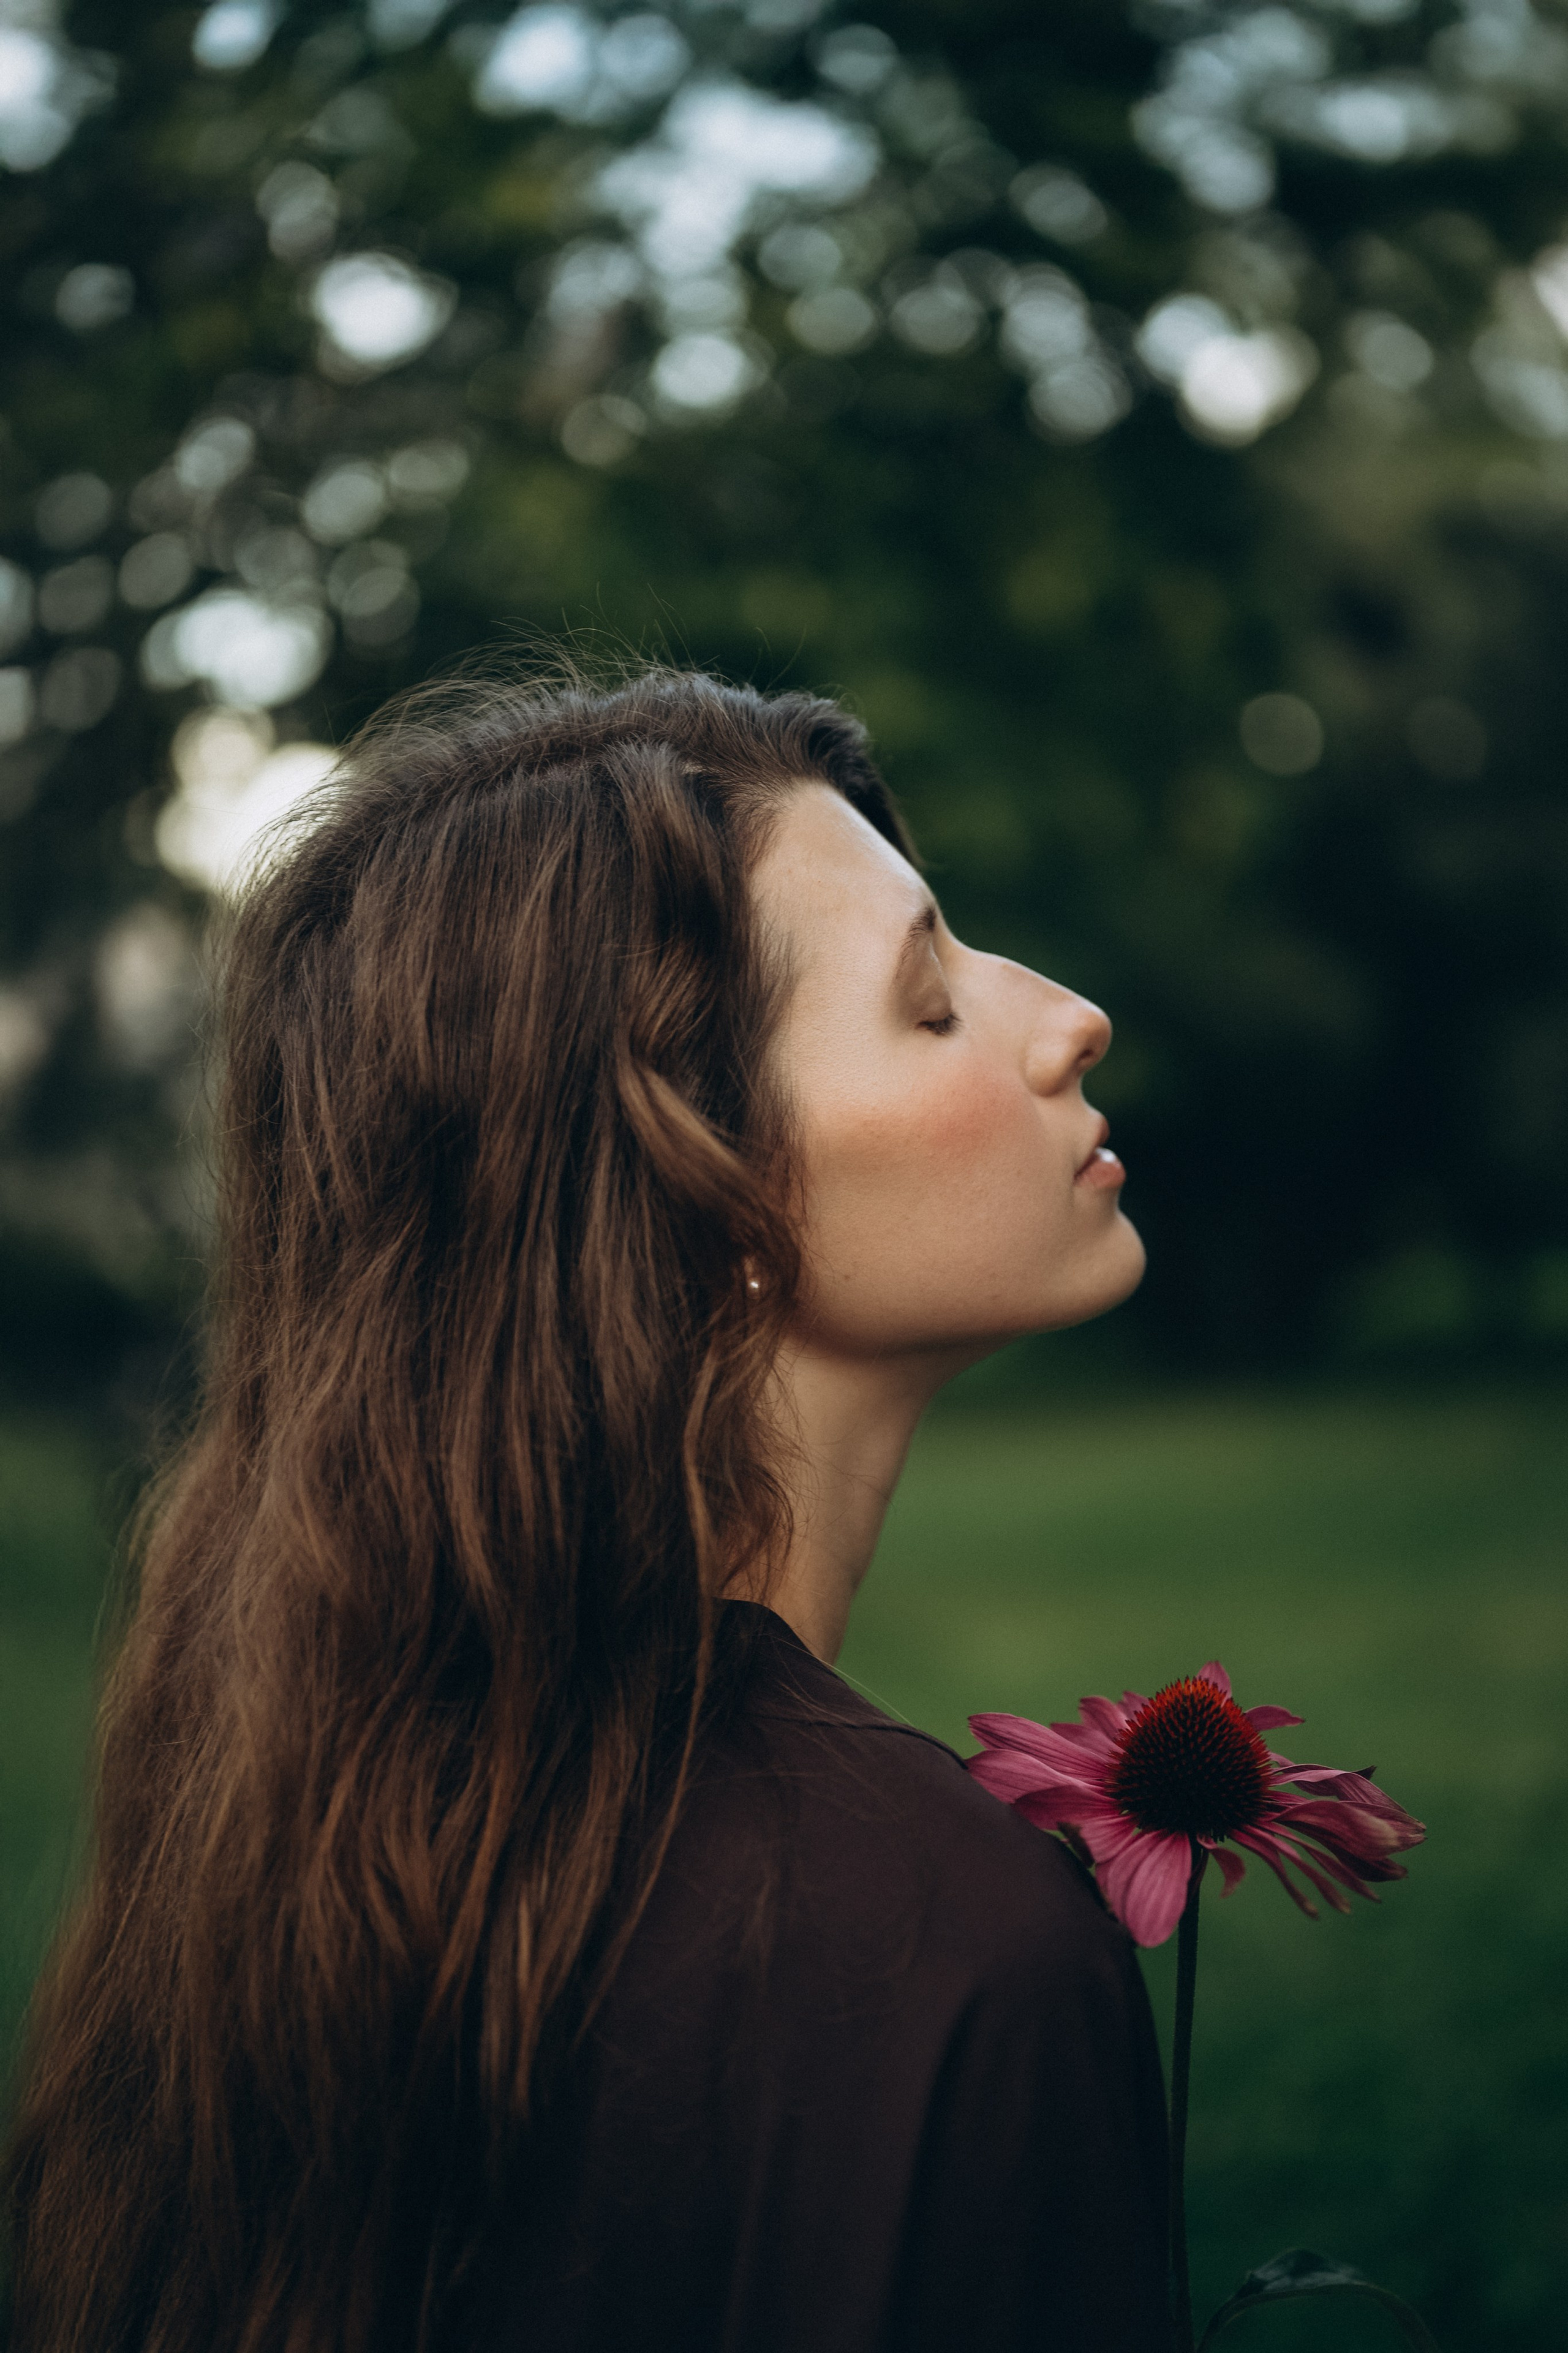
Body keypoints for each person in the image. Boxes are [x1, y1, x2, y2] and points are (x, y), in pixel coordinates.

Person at [4, 668, 1169, 2351]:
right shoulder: (950, 1963)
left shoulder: (323, 1861)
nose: (1066, 1015)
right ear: (709, 1201)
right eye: (930, 1002)